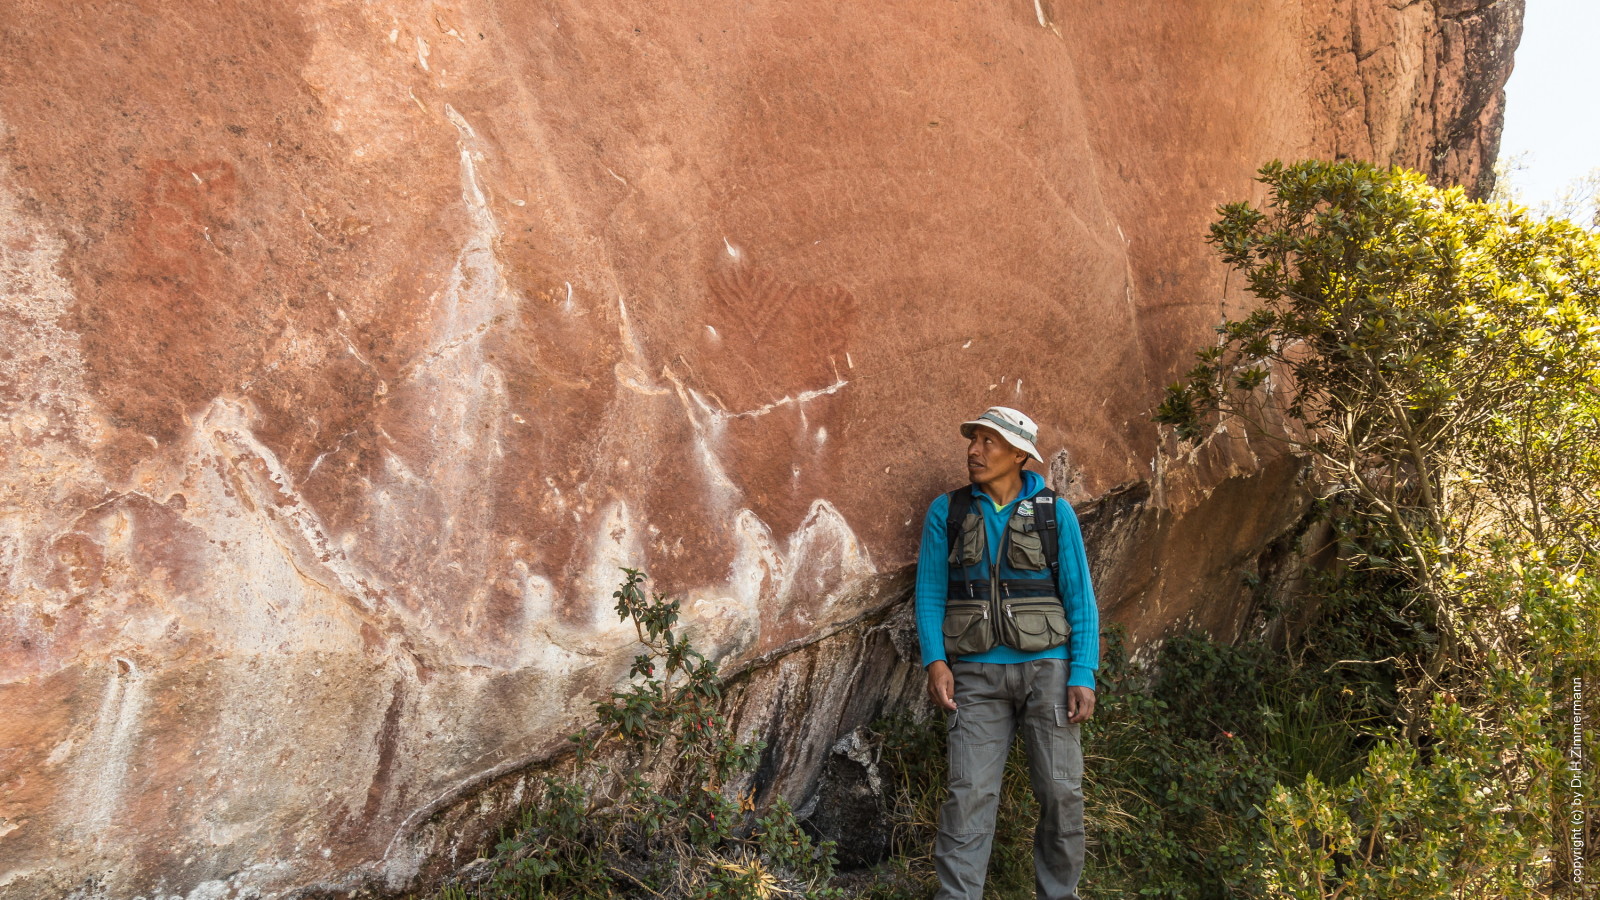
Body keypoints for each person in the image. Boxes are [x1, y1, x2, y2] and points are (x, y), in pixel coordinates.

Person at [914, 406, 1099, 900]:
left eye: (987, 442)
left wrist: (1083, 671)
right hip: (974, 676)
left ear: (1019, 454)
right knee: (968, 796)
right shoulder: (947, 512)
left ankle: (1059, 895)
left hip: (1049, 674)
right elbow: (931, 592)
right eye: (972, 440)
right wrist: (936, 661)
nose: (974, 450)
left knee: (1062, 793)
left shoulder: (1053, 512)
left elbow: (1079, 596)